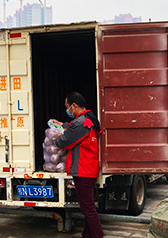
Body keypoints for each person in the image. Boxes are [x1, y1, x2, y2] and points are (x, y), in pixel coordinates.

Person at [52, 92, 103, 238]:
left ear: (74, 105)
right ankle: (87, 234)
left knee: (87, 208)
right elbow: (73, 128)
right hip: (89, 168)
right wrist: (62, 125)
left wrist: (57, 137)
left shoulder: (81, 123)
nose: (67, 110)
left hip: (83, 170)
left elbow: (65, 142)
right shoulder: (88, 119)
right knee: (88, 206)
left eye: (67, 107)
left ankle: (98, 235)